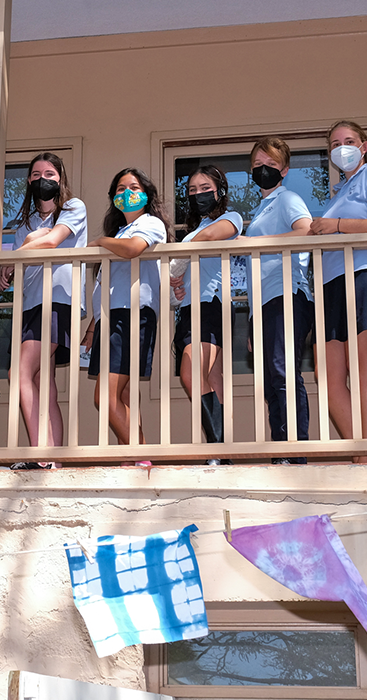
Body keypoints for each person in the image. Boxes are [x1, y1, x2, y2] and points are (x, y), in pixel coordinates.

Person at [309, 121, 367, 462]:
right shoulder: (339, 191)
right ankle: (361, 450)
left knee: (364, 366)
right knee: (328, 373)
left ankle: (366, 457)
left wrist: (335, 226)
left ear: (364, 146)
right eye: (335, 143)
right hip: (332, 283)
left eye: (349, 141)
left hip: (366, 274)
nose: (342, 147)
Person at [0, 153, 87, 466]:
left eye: (49, 173)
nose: (42, 179)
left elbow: (52, 242)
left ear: (60, 178)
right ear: (28, 181)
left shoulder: (73, 208)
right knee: (42, 382)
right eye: (35, 174)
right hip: (30, 303)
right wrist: (9, 268)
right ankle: (53, 458)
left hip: (58, 299)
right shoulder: (25, 222)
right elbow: (27, 259)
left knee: (19, 372)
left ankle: (40, 454)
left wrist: (19, 252)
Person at [83, 168, 171, 458]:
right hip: (111, 318)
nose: (127, 193)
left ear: (146, 194)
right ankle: (132, 459)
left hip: (132, 314)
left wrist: (100, 242)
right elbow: (109, 285)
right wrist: (94, 326)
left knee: (105, 398)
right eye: (120, 189)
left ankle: (141, 454)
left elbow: (134, 249)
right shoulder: (119, 232)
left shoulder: (150, 223)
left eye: (133, 187)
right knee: (123, 395)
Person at [245, 137, 314, 463]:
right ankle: (281, 452)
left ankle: (294, 453)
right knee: (273, 381)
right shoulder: (262, 208)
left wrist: (256, 242)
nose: (263, 171)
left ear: (284, 170)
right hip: (264, 301)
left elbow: (306, 231)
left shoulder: (287, 198)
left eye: (270, 165)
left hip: (287, 292)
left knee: (283, 373)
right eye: (258, 165)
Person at [168, 165, 241, 463]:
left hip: (211, 305)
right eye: (192, 190)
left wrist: (179, 261)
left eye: (205, 188)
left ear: (220, 190)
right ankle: (221, 454)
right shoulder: (191, 232)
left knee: (190, 374)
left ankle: (217, 449)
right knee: (212, 378)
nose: (198, 194)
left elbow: (213, 235)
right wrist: (178, 284)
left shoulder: (230, 217)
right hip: (190, 308)